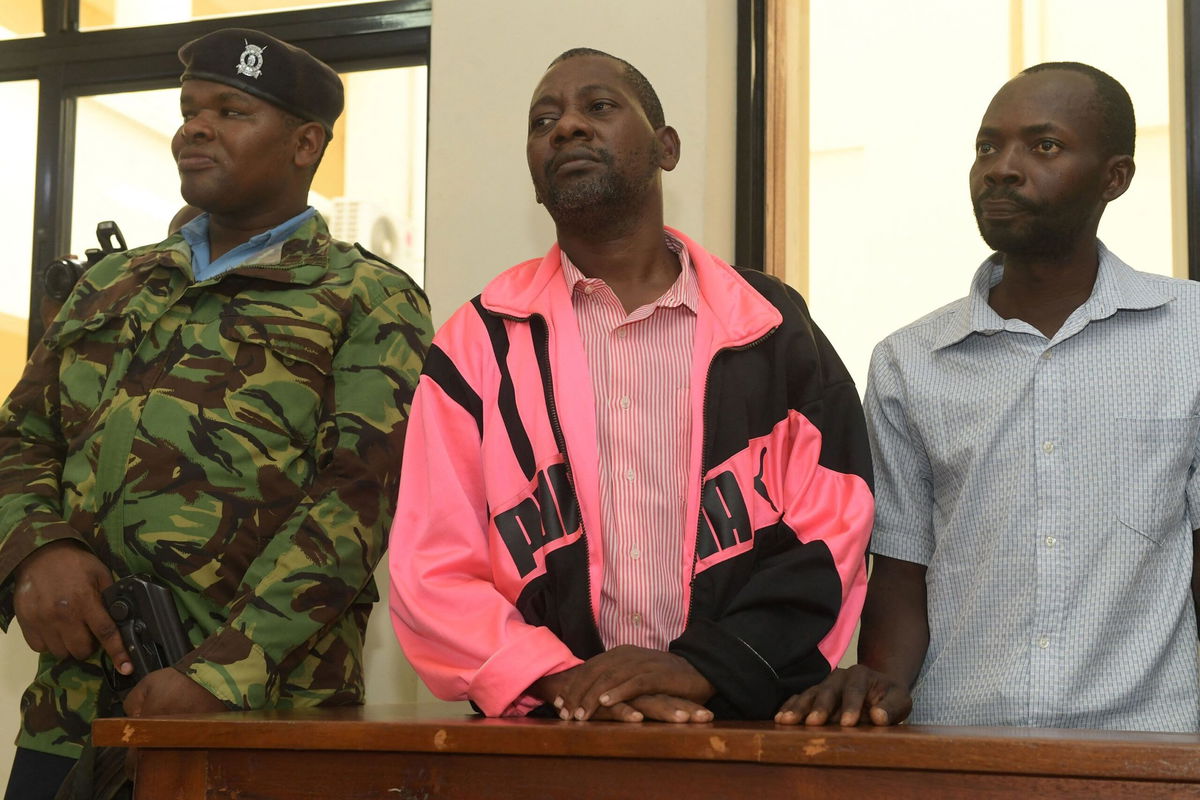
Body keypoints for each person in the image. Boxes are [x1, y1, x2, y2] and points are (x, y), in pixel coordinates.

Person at [0, 28, 430, 798]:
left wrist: (224, 674)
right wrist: (37, 551)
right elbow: (21, 438)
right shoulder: (112, 284)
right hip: (69, 715)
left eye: (231, 111)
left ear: (304, 145)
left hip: (262, 723)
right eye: (190, 109)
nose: (195, 127)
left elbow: (358, 501)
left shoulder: (368, 297)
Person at [389, 48, 872, 724]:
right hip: (544, 738)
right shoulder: (476, 344)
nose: (566, 128)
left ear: (666, 147)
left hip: (740, 730)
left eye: (600, 107)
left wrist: (706, 668)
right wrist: (560, 682)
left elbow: (835, 522)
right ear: (533, 176)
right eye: (543, 120)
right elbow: (430, 567)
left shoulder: (771, 327)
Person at [779, 62, 1200, 732]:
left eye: (1045, 146)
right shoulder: (908, 362)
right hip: (962, 741)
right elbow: (899, 570)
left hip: (1150, 744)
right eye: (986, 147)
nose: (1002, 168)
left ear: (1114, 177)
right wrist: (877, 684)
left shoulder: (1190, 334)